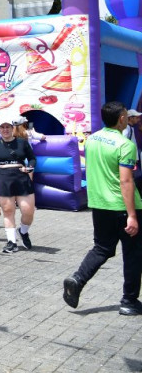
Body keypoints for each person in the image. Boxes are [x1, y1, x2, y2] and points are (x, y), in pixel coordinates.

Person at [64, 101, 142, 315]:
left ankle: (77, 279)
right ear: (122, 118)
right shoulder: (125, 144)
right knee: (133, 254)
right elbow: (126, 182)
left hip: (99, 204)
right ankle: (129, 301)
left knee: (102, 248)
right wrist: (132, 215)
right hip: (122, 206)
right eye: (126, 115)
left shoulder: (92, 140)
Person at [0, 114, 37, 253]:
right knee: (8, 211)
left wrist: (30, 167)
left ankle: (23, 230)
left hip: (21, 179)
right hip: (2, 180)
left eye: (8, 127)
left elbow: (32, 158)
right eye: (2, 127)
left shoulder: (22, 142)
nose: (5, 130)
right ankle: (11, 242)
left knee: (28, 211)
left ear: (12, 128)